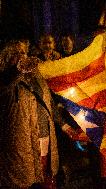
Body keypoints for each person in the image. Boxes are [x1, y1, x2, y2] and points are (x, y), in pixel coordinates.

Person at [0, 40, 88, 188]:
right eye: (16, 53)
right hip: (21, 145)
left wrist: (65, 126)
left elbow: (48, 103)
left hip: (45, 136)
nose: (22, 56)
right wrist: (18, 71)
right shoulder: (5, 79)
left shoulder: (36, 76)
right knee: (25, 180)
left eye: (23, 52)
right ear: (8, 57)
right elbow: (5, 87)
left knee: (46, 177)